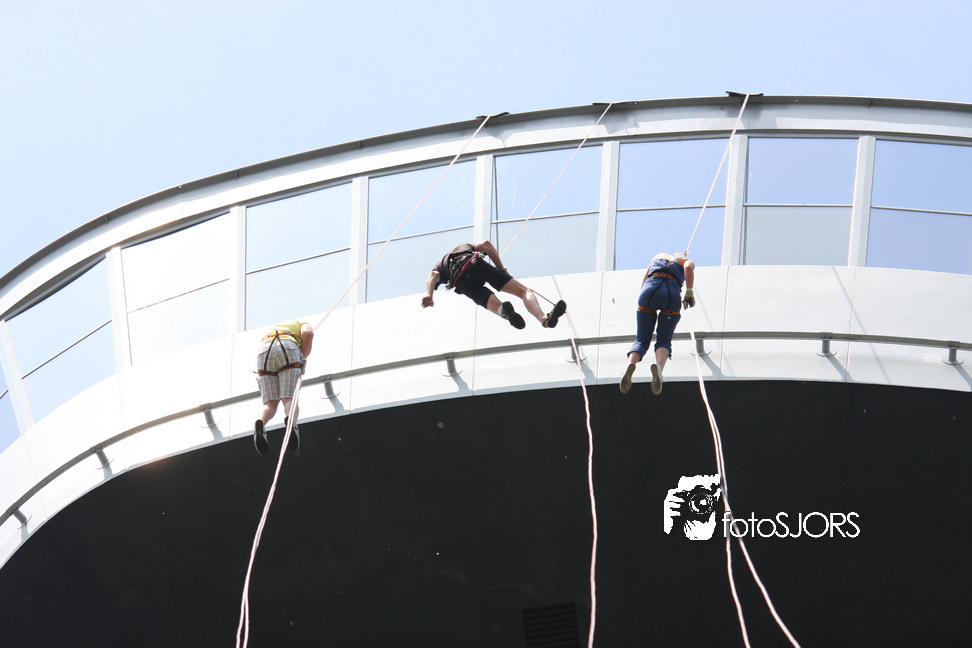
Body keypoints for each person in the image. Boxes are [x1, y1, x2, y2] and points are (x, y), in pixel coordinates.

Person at [422, 241, 566, 329]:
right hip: (475, 263)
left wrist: (429, 295)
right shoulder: (463, 246)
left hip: (462, 282)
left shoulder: (440, 265)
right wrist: (502, 269)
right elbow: (486, 245)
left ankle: (506, 312)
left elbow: (433, 275)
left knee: (492, 304)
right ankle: (544, 319)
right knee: (524, 291)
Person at [620, 252, 695, 395]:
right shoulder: (686, 261)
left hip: (649, 290)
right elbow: (688, 268)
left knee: (641, 340)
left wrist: (643, 300)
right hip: (670, 294)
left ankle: (630, 364)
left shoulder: (658, 256)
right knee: (664, 340)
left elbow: (644, 279)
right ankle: (659, 369)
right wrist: (689, 292)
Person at [254, 319, 314, 455]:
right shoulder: (302, 324)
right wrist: (303, 358)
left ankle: (260, 422)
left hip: (264, 349)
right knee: (289, 399)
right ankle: (291, 422)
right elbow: (308, 333)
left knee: (269, 404)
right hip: (288, 346)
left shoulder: (271, 328)